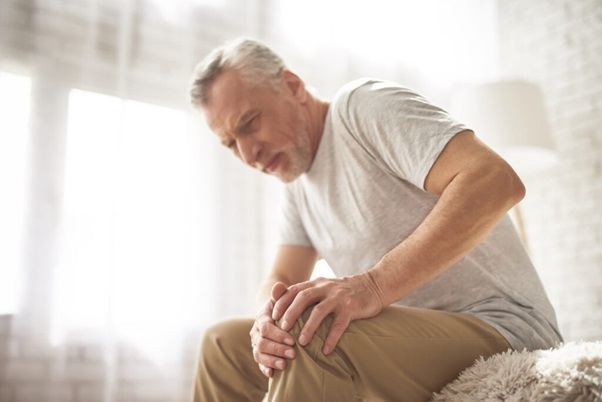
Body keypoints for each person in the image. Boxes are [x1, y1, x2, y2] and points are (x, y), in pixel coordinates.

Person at [188, 37, 562, 402]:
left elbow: (494, 181)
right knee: (221, 346)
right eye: (230, 143)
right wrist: (265, 321)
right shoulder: (296, 181)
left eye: (249, 123)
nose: (248, 154)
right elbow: (282, 277)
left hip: (502, 327)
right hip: (407, 340)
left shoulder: (361, 107)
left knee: (311, 330)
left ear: (293, 85)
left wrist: (373, 286)